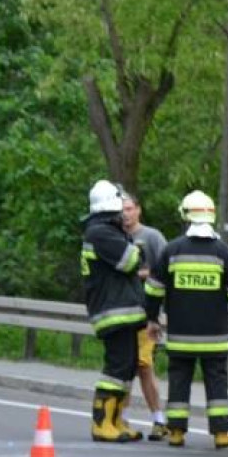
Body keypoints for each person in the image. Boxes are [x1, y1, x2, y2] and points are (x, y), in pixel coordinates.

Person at [145, 191, 228, 448]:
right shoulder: (223, 253)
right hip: (214, 337)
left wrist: (152, 319)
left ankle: (177, 432)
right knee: (217, 386)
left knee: (179, 383)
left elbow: (153, 290)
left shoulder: (172, 250)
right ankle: (221, 434)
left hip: (181, 335)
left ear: (187, 217)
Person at [81, 179, 147, 443]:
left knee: (127, 367)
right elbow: (131, 260)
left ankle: (116, 420)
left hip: (123, 310)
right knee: (117, 367)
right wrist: (137, 248)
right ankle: (102, 423)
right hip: (113, 311)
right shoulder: (101, 233)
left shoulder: (106, 230)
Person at [121, 192, 170, 441]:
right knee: (123, 366)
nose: (125, 214)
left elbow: (166, 270)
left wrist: (139, 274)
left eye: (129, 208)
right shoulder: (114, 237)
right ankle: (123, 418)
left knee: (143, 364)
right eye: (121, 210)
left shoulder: (151, 237)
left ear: (138, 210)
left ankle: (158, 419)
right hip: (120, 313)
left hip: (144, 312)